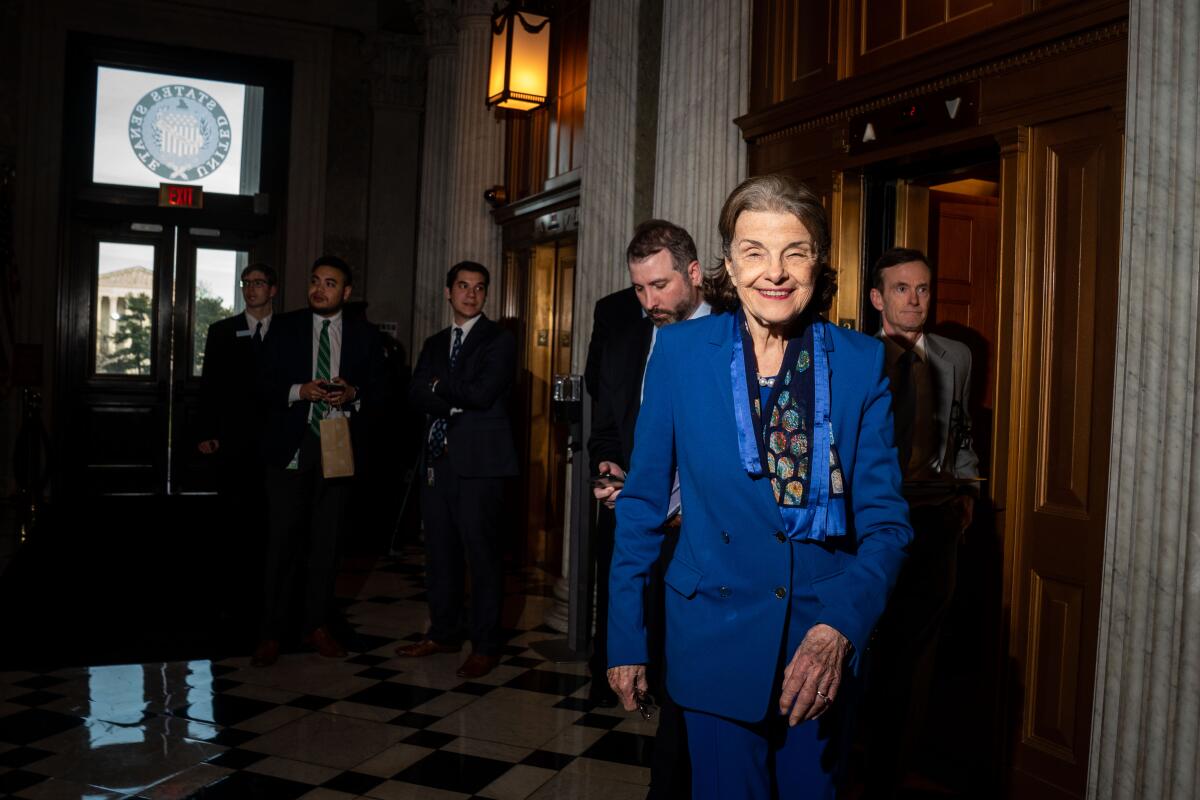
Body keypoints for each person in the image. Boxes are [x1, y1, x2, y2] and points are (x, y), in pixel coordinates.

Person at [606, 174, 912, 799]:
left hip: (817, 645)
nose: (774, 272)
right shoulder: (681, 352)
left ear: (818, 263)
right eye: (754, 251)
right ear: (727, 264)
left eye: (794, 251)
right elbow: (640, 506)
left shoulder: (858, 363)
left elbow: (886, 526)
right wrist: (625, 639)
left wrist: (840, 628)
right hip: (710, 631)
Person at [588, 219, 707, 798]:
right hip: (640, 520)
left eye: (659, 286)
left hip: (704, 538)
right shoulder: (627, 333)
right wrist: (611, 466)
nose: (649, 301)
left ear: (694, 273)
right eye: (639, 288)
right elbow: (608, 423)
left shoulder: (734, 336)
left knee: (693, 677)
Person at [859, 247, 981, 797]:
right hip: (872, 521)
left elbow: (961, 428)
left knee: (917, 654)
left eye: (924, 288)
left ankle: (891, 771)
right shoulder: (857, 357)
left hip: (934, 518)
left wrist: (966, 487)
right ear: (877, 298)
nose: (915, 300)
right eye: (902, 289)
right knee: (867, 644)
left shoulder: (955, 356)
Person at [251, 255, 386, 667]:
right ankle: (271, 632)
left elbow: (383, 393)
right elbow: (259, 385)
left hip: (336, 445)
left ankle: (317, 625)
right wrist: (299, 390)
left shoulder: (365, 335)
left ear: (345, 292)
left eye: (329, 283)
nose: (319, 289)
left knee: (327, 544)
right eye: (314, 281)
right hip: (291, 446)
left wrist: (353, 393)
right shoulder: (285, 328)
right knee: (281, 544)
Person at [397, 261, 518, 680]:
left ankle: (485, 646)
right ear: (448, 292)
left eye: (479, 288)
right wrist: (446, 396)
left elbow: (483, 394)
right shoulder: (433, 343)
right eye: (463, 286)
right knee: (440, 554)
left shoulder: (499, 340)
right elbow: (414, 394)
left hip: (481, 466)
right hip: (438, 462)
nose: (471, 294)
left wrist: (439, 387)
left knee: (482, 557)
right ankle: (444, 631)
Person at [196, 263, 276, 621]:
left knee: (271, 516)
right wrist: (206, 432)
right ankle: (230, 592)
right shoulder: (222, 331)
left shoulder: (289, 331)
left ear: (272, 290)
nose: (251, 289)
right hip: (233, 438)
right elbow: (210, 386)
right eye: (246, 283)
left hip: (276, 440)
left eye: (258, 283)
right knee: (233, 513)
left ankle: (269, 589)